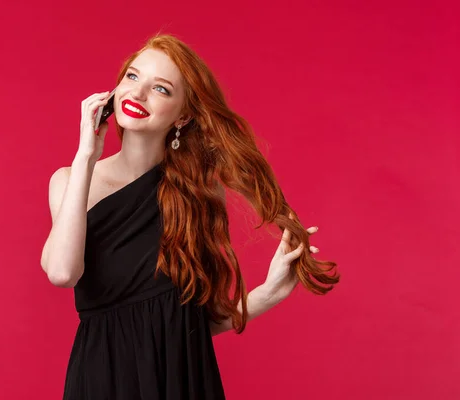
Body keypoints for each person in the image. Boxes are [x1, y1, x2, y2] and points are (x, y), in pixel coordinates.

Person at [40, 33, 339, 400]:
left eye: (161, 89)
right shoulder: (70, 181)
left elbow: (194, 319)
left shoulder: (198, 193)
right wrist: (86, 154)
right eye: (132, 77)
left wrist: (268, 293)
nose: (138, 93)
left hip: (184, 380)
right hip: (106, 379)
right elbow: (62, 273)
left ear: (184, 115)